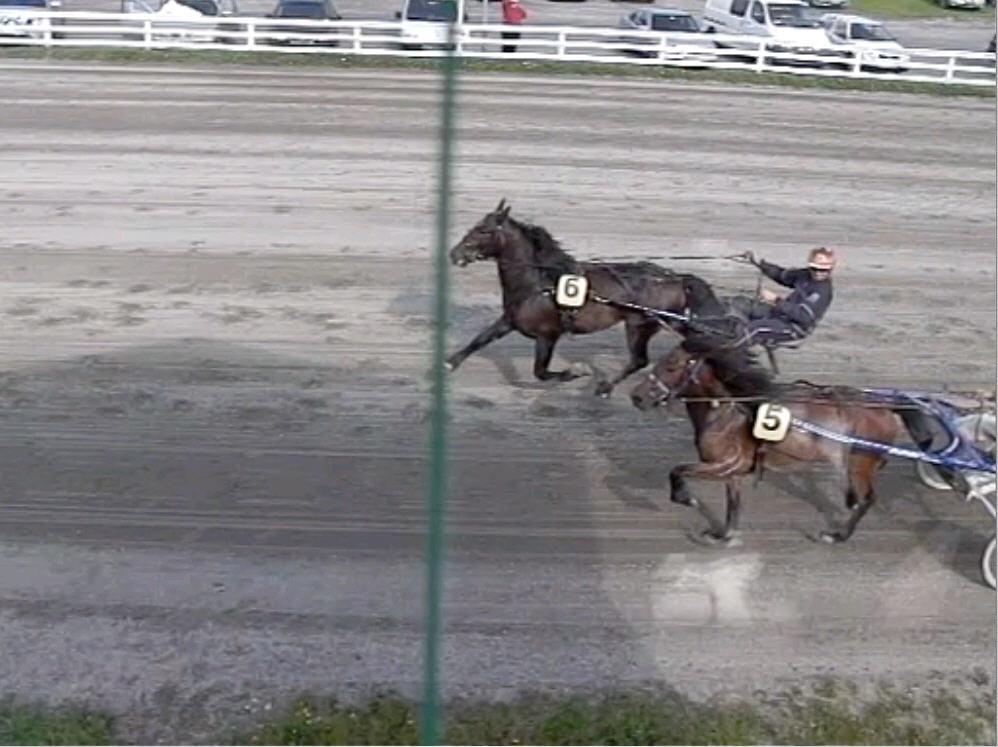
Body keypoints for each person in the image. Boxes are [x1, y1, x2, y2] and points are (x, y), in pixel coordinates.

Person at [726, 247, 837, 348]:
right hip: (779, 314)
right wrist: (760, 264)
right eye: (815, 268)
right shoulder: (804, 275)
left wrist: (776, 300)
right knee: (739, 302)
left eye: (824, 270)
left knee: (754, 329)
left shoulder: (822, 291)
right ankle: (725, 331)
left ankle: (723, 353)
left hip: (793, 327)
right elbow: (782, 275)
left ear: (831, 268)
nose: (818, 273)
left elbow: (803, 316)